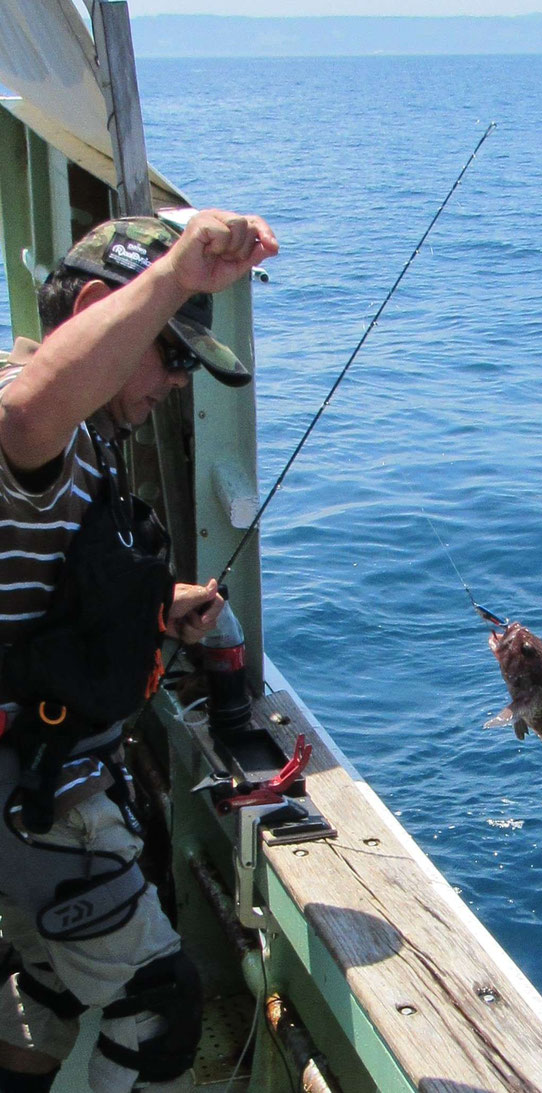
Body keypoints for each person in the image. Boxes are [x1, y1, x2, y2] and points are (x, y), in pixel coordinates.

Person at [0, 209, 278, 1091]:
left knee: (45, 984)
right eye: (171, 351)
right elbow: (23, 414)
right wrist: (174, 278)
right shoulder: (36, 418)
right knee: (158, 1007)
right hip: (24, 789)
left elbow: (39, 600)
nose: (177, 382)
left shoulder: (89, 449)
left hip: (41, 773)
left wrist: (157, 606)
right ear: (94, 310)